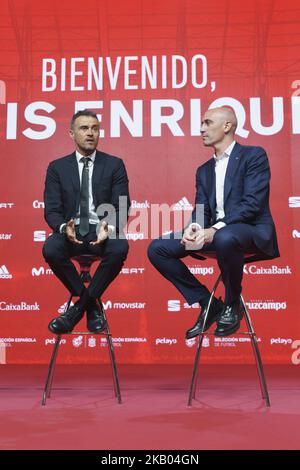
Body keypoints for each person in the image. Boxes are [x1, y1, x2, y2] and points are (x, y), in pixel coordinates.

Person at [148, 106, 279, 338]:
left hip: (250, 231)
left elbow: (252, 205)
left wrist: (214, 229)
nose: (201, 129)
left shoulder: (254, 155)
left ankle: (232, 303)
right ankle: (209, 304)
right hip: (216, 234)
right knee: (158, 248)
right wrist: (195, 228)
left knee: (225, 236)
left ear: (227, 126)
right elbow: (202, 210)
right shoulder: (204, 170)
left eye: (207, 123)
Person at [43, 109, 130, 334]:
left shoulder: (114, 164)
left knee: (120, 246)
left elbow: (122, 206)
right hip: (72, 231)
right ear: (71, 133)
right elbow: (52, 210)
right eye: (84, 128)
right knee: (51, 248)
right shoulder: (57, 168)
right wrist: (64, 227)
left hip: (100, 230)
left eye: (95, 128)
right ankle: (90, 306)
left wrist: (109, 228)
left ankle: (75, 311)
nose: (90, 133)